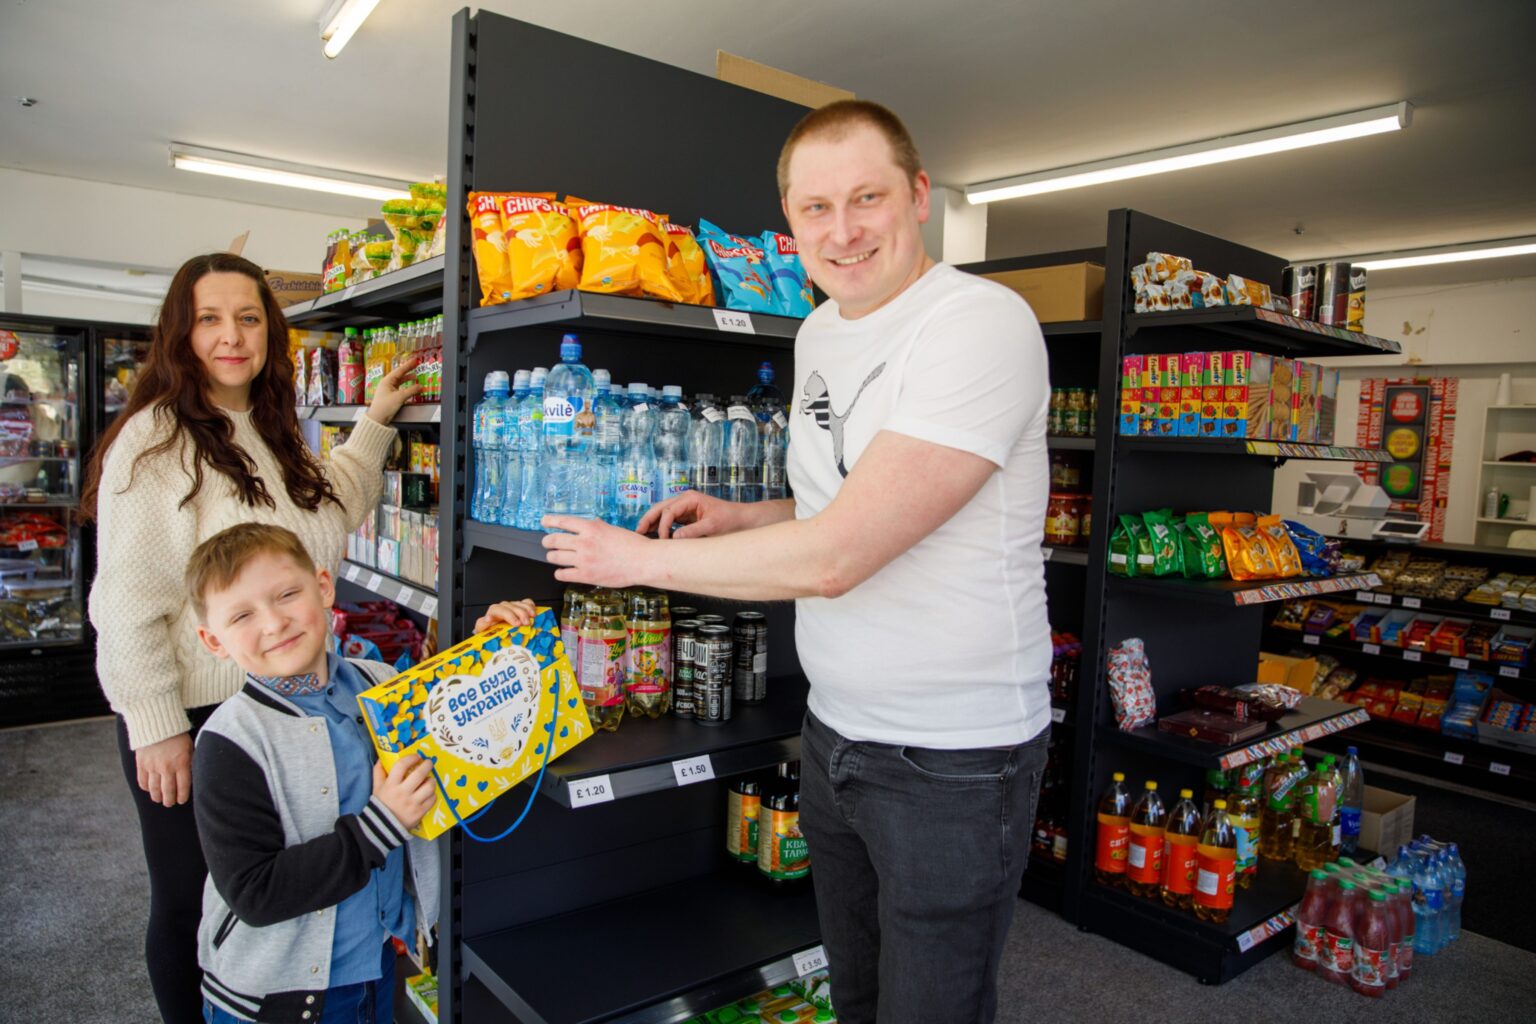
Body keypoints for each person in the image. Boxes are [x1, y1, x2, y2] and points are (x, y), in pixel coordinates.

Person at [541, 100, 1052, 1023]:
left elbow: (838, 555)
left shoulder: (980, 326)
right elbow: (843, 501)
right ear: (790, 223)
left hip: (954, 759)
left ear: (920, 196)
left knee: (932, 1006)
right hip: (834, 733)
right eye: (816, 208)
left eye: (868, 198)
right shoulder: (821, 331)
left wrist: (634, 563)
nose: (844, 230)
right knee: (854, 992)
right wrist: (743, 515)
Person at [81, 252, 419, 1024]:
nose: (231, 335)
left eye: (249, 317)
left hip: (283, 708)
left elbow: (323, 519)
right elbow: (127, 601)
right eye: (209, 318)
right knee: (193, 903)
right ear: (180, 332)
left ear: (271, 331)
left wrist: (372, 423)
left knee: (281, 897)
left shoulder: (268, 431)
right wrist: (156, 724)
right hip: (199, 721)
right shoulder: (156, 440)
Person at [185, 523, 539, 1023]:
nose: (274, 623)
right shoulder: (230, 742)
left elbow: (459, 743)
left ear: (324, 588)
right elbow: (255, 892)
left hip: (373, 970)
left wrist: (489, 654)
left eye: (288, 594)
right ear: (212, 639)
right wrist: (383, 821)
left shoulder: (385, 686)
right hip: (277, 1002)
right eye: (242, 614)